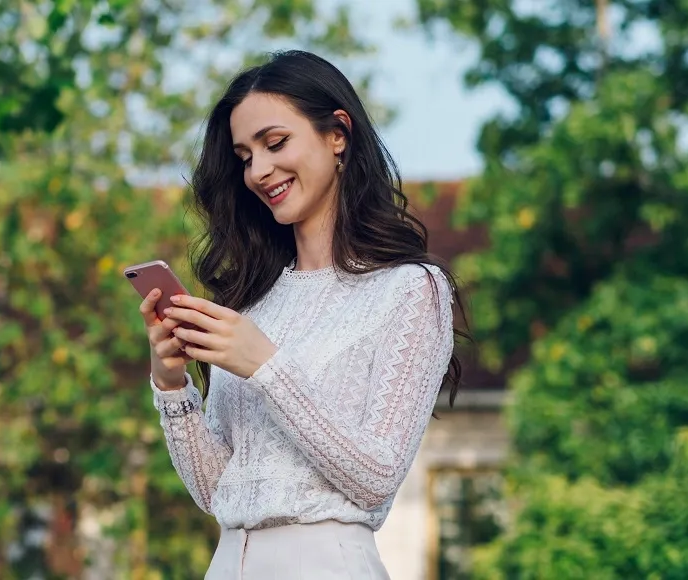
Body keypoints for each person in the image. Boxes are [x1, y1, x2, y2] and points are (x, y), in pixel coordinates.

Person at [138, 50, 465, 579]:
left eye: (275, 143)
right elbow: (219, 490)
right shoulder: (249, 300)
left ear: (338, 133)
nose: (259, 171)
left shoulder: (409, 290)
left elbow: (377, 477)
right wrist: (172, 387)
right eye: (244, 156)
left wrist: (265, 364)